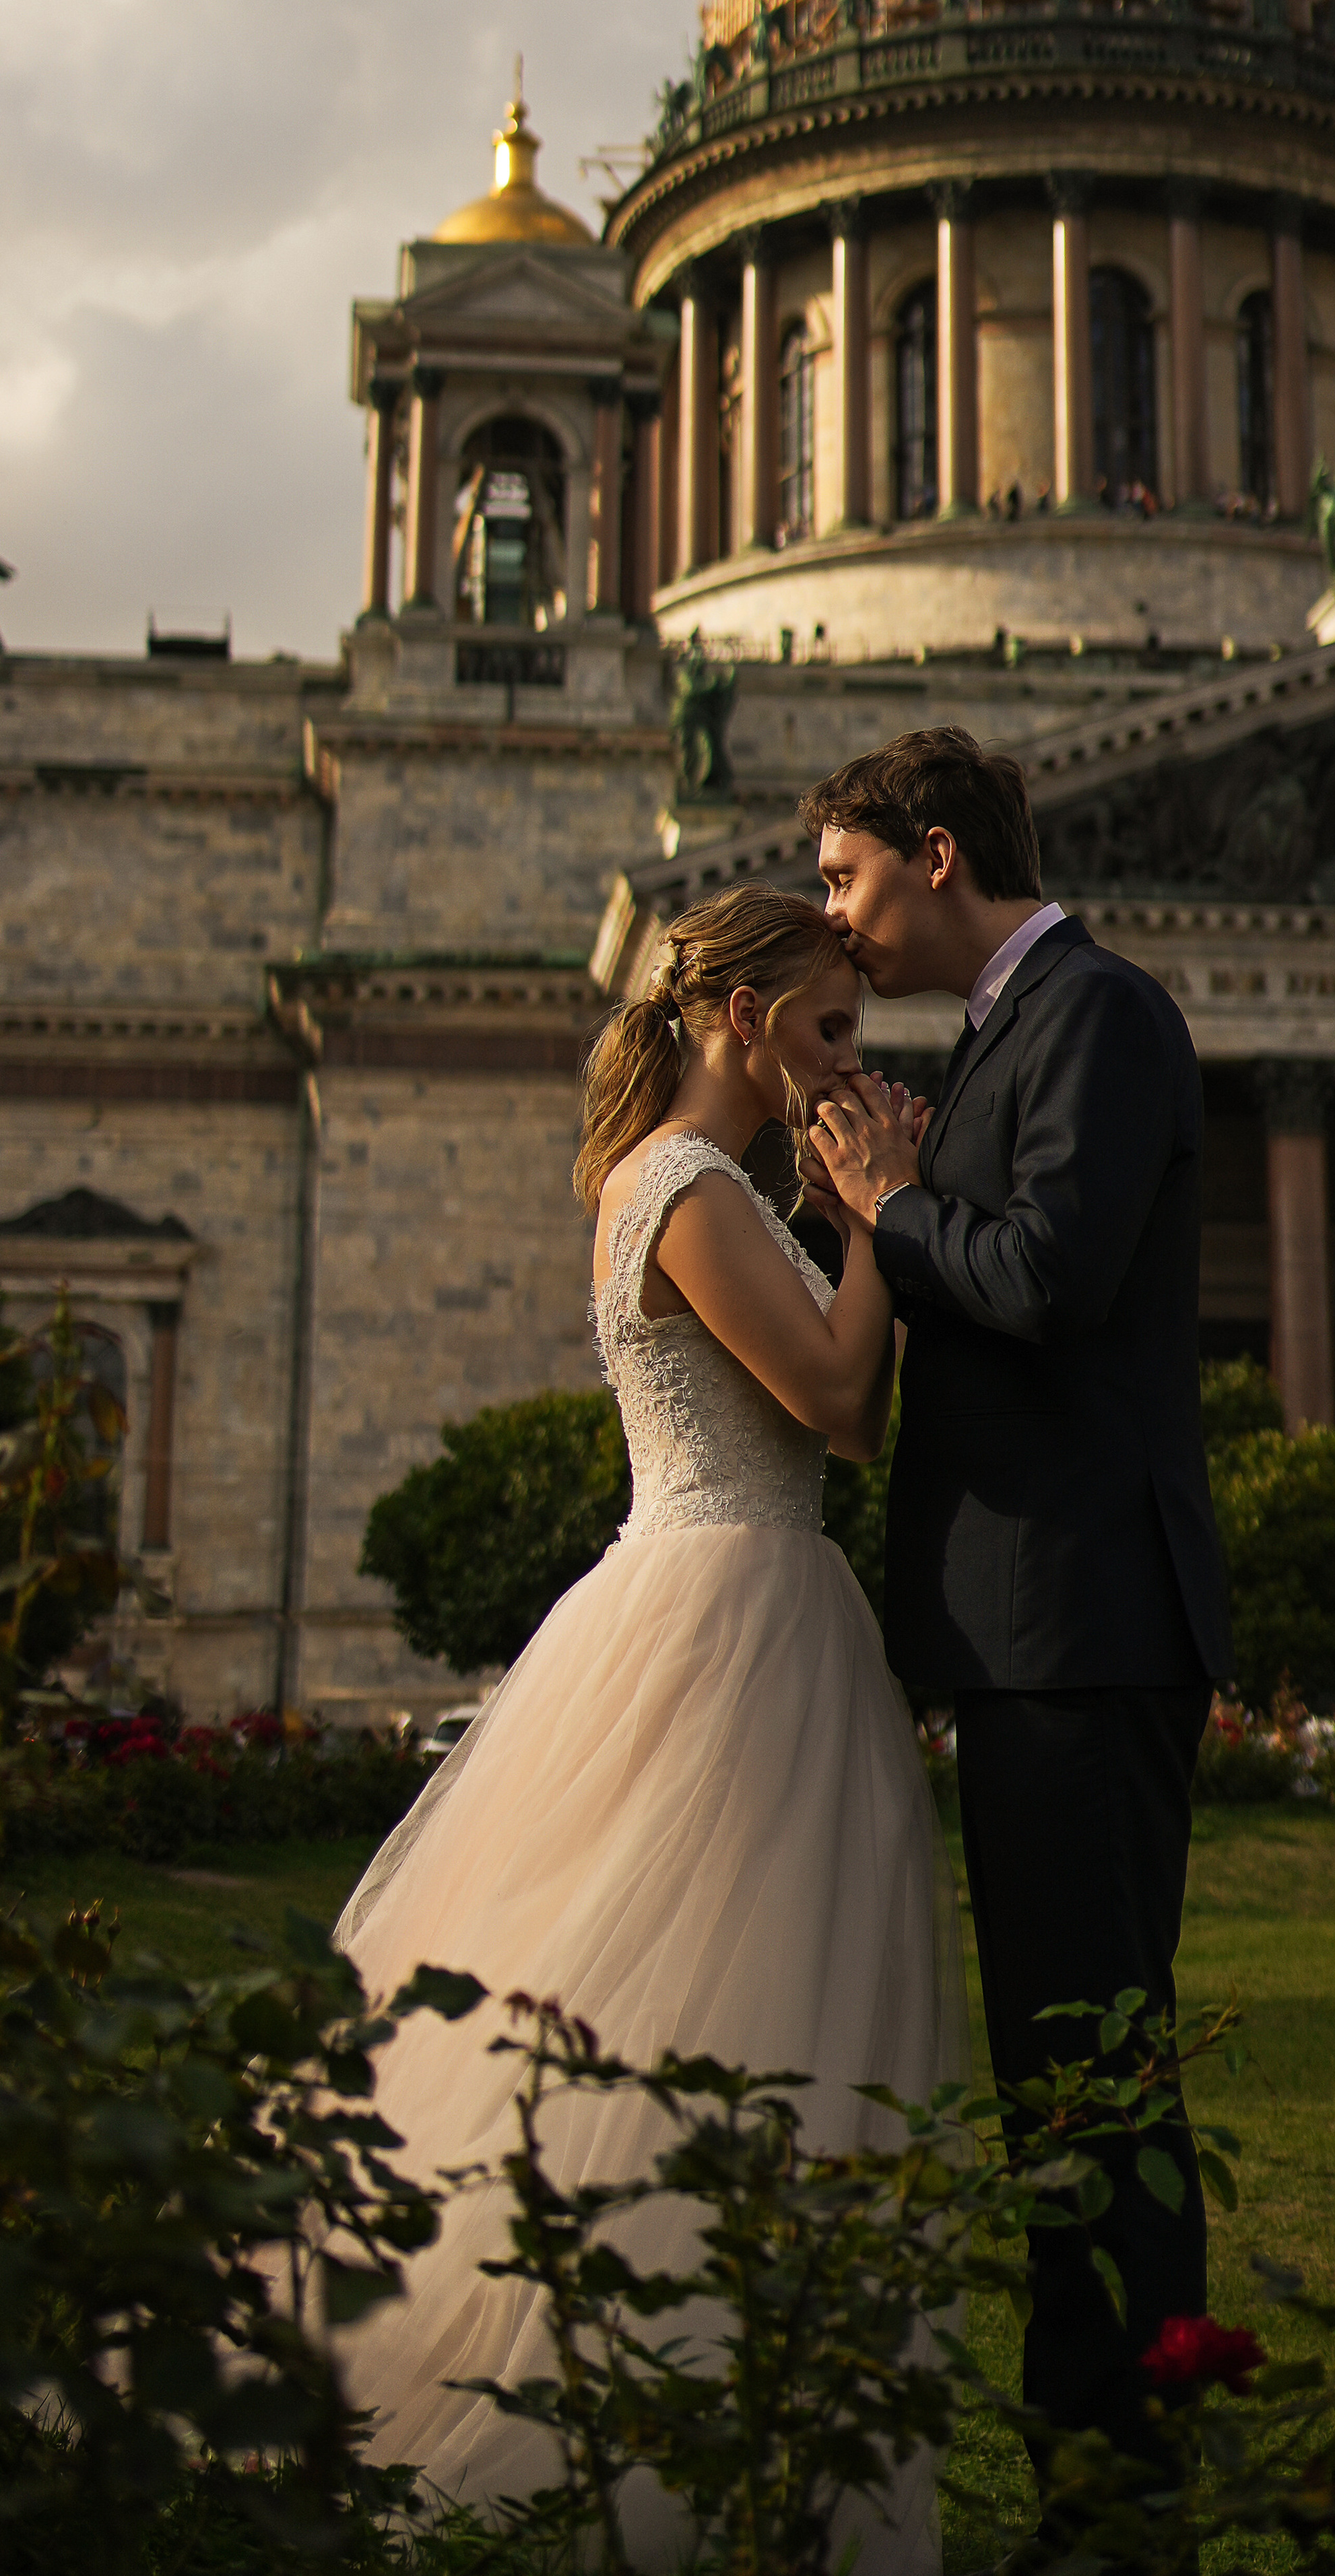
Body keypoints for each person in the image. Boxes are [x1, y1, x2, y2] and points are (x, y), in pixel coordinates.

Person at [331, 884, 967, 2566]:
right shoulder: (687, 1189)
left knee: (738, 1999)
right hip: (734, 1608)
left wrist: (845, 1215)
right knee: (729, 1992)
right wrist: (884, 1214)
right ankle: (694, 2419)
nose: (849, 1058)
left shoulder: (690, 1183)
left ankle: (747, 2410)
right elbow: (836, 1408)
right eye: (829, 1029)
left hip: (726, 1601)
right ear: (745, 1017)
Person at [802, 725, 1235, 2505]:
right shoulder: (1007, 1035)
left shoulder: (1099, 1016)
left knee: (1095, 2074)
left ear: (932, 852)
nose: (837, 921)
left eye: (844, 878)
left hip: (1085, 1625)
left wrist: (894, 1205)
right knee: (1066, 2067)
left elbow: (1048, 1280)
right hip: (1038, 1632)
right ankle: (1099, 2449)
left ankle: (1122, 2477)